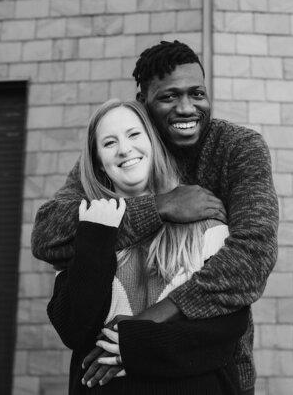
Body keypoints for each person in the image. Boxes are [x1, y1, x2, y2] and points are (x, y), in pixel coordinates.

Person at [33, 40, 279, 394]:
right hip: (112, 377)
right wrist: (159, 207)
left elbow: (252, 258)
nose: (186, 108)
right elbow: (48, 236)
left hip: (213, 368)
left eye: (197, 93)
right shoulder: (125, 150)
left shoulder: (237, 148)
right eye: (169, 97)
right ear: (142, 101)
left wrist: (142, 328)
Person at [47, 99, 248, 392]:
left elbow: (228, 329)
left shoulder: (206, 223)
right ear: (98, 162)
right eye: (109, 143)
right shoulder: (83, 229)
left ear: (153, 142)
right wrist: (97, 234)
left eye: (133, 134)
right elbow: (74, 330)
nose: (125, 149)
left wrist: (137, 345)